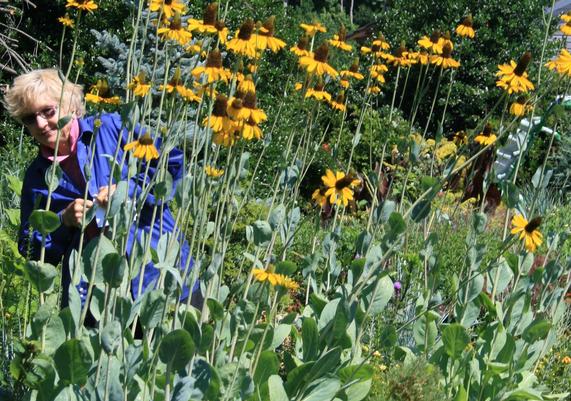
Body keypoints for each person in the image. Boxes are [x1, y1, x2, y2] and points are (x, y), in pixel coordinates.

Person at [3, 69, 200, 311]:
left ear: (70, 105)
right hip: (94, 296)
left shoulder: (111, 128)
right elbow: (30, 247)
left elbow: (171, 162)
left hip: (159, 275)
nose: (41, 124)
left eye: (48, 111)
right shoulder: (37, 176)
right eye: (30, 119)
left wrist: (128, 190)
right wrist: (62, 220)